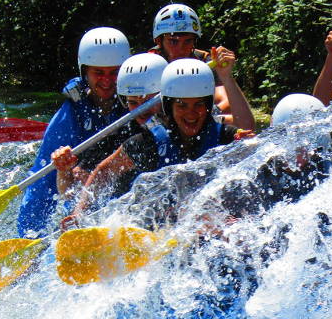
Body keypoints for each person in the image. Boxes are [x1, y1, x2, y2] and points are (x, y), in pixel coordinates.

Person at [70, 54, 256, 218]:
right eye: (182, 105)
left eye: (198, 105)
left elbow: (248, 129)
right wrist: (79, 212)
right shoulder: (147, 142)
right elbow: (104, 171)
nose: (191, 114)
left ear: (207, 107)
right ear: (169, 106)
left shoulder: (225, 136)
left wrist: (227, 77)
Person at [17, 27, 130, 238]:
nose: (107, 81)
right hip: (80, 177)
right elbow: (42, 181)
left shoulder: (136, 101)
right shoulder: (73, 111)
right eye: (98, 73)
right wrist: (29, 236)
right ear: (84, 72)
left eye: (114, 72)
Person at [50, 52, 168, 202]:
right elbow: (70, 193)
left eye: (147, 103)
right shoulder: (123, 131)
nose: (141, 111)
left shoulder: (192, 119)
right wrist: (64, 171)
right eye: (133, 103)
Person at [149, 3, 230, 116]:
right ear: (158, 41)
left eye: (187, 41)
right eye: (173, 41)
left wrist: (204, 117)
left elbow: (225, 102)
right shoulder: (148, 65)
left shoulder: (205, 62)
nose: (181, 50)